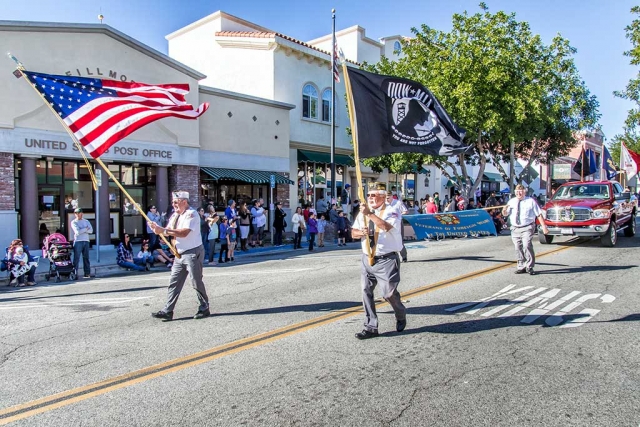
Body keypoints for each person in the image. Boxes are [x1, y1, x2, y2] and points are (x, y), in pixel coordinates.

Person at [351, 182, 406, 339]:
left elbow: (386, 227)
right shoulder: (363, 212)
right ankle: (371, 327)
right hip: (367, 258)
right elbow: (353, 233)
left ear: (383, 196)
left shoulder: (392, 210)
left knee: (389, 294)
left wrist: (369, 214)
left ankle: (400, 313)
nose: (370, 198)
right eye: (368, 195)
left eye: (373, 195)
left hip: (386, 260)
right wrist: (360, 232)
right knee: (365, 292)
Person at [149, 191, 210, 321]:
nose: (173, 204)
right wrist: (156, 229)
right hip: (179, 254)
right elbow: (167, 230)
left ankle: (204, 307)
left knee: (196, 281)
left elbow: (184, 233)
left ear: (184, 201)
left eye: (176, 202)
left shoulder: (192, 214)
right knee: (174, 282)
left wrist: (163, 230)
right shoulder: (176, 215)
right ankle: (168, 310)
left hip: (192, 252)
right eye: (173, 202)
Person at [502, 184, 549, 275]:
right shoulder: (511, 201)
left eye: (521, 191)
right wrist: (504, 210)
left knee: (527, 245)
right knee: (517, 247)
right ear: (515, 192)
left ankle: (529, 266)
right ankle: (521, 266)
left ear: (524, 192)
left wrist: (544, 227)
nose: (519, 193)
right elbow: (505, 214)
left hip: (527, 227)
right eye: (517, 191)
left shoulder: (530, 201)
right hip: (515, 228)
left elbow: (539, 214)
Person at [71, 207, 93, 279]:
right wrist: (86, 229)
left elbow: (91, 231)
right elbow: (77, 232)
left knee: (86, 258)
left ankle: (87, 273)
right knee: (76, 258)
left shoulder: (86, 221)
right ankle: (75, 273)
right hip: (78, 241)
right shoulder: (74, 222)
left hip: (86, 241)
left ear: (82, 213)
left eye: (79, 213)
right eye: (76, 213)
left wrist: (83, 230)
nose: (78, 215)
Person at [387, 191, 409, 262]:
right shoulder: (384, 204)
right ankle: (390, 257)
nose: (387, 199)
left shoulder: (398, 203)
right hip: (387, 223)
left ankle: (404, 256)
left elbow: (405, 211)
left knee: (399, 239)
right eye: (385, 198)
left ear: (391, 196)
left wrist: (399, 214)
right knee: (388, 240)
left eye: (388, 198)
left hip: (397, 223)